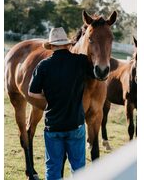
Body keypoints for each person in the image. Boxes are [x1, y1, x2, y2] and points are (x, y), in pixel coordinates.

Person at [28, 27, 94, 180]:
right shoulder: (80, 62)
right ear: (67, 44)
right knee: (78, 168)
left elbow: (32, 92)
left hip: (53, 126)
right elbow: (97, 75)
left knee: (53, 168)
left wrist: (48, 95)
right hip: (75, 125)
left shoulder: (43, 66)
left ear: (51, 46)